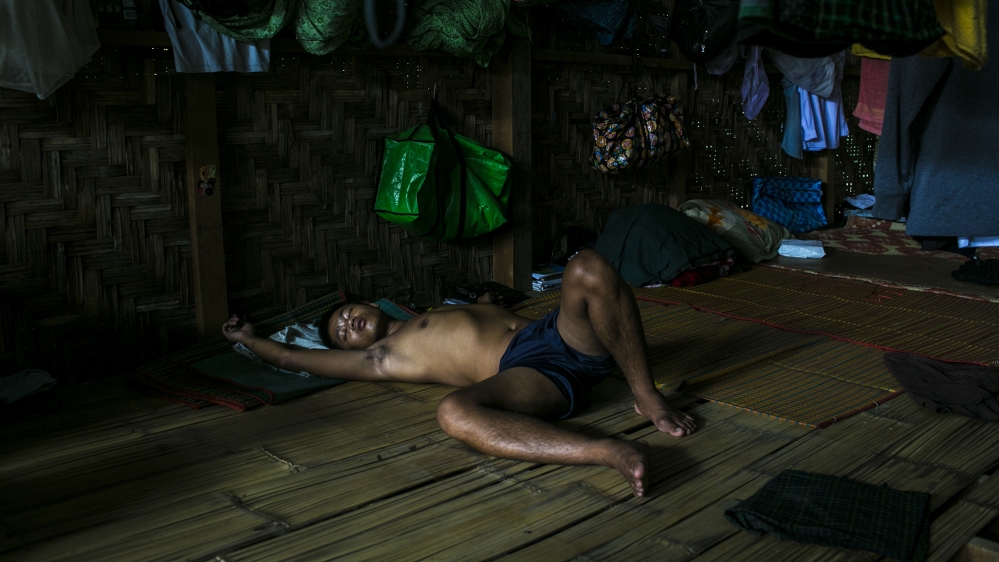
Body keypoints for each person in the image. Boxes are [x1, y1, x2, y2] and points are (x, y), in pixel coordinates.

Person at [222, 250, 696, 497]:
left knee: (587, 266)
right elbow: (288, 359)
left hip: (557, 334)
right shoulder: (383, 356)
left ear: (368, 302)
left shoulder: (425, 314)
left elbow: (475, 323)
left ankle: (644, 393)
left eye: (346, 312)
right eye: (342, 332)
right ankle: (605, 451)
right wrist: (249, 339)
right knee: (453, 412)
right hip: (532, 371)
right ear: (354, 350)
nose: (348, 322)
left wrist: (484, 305)